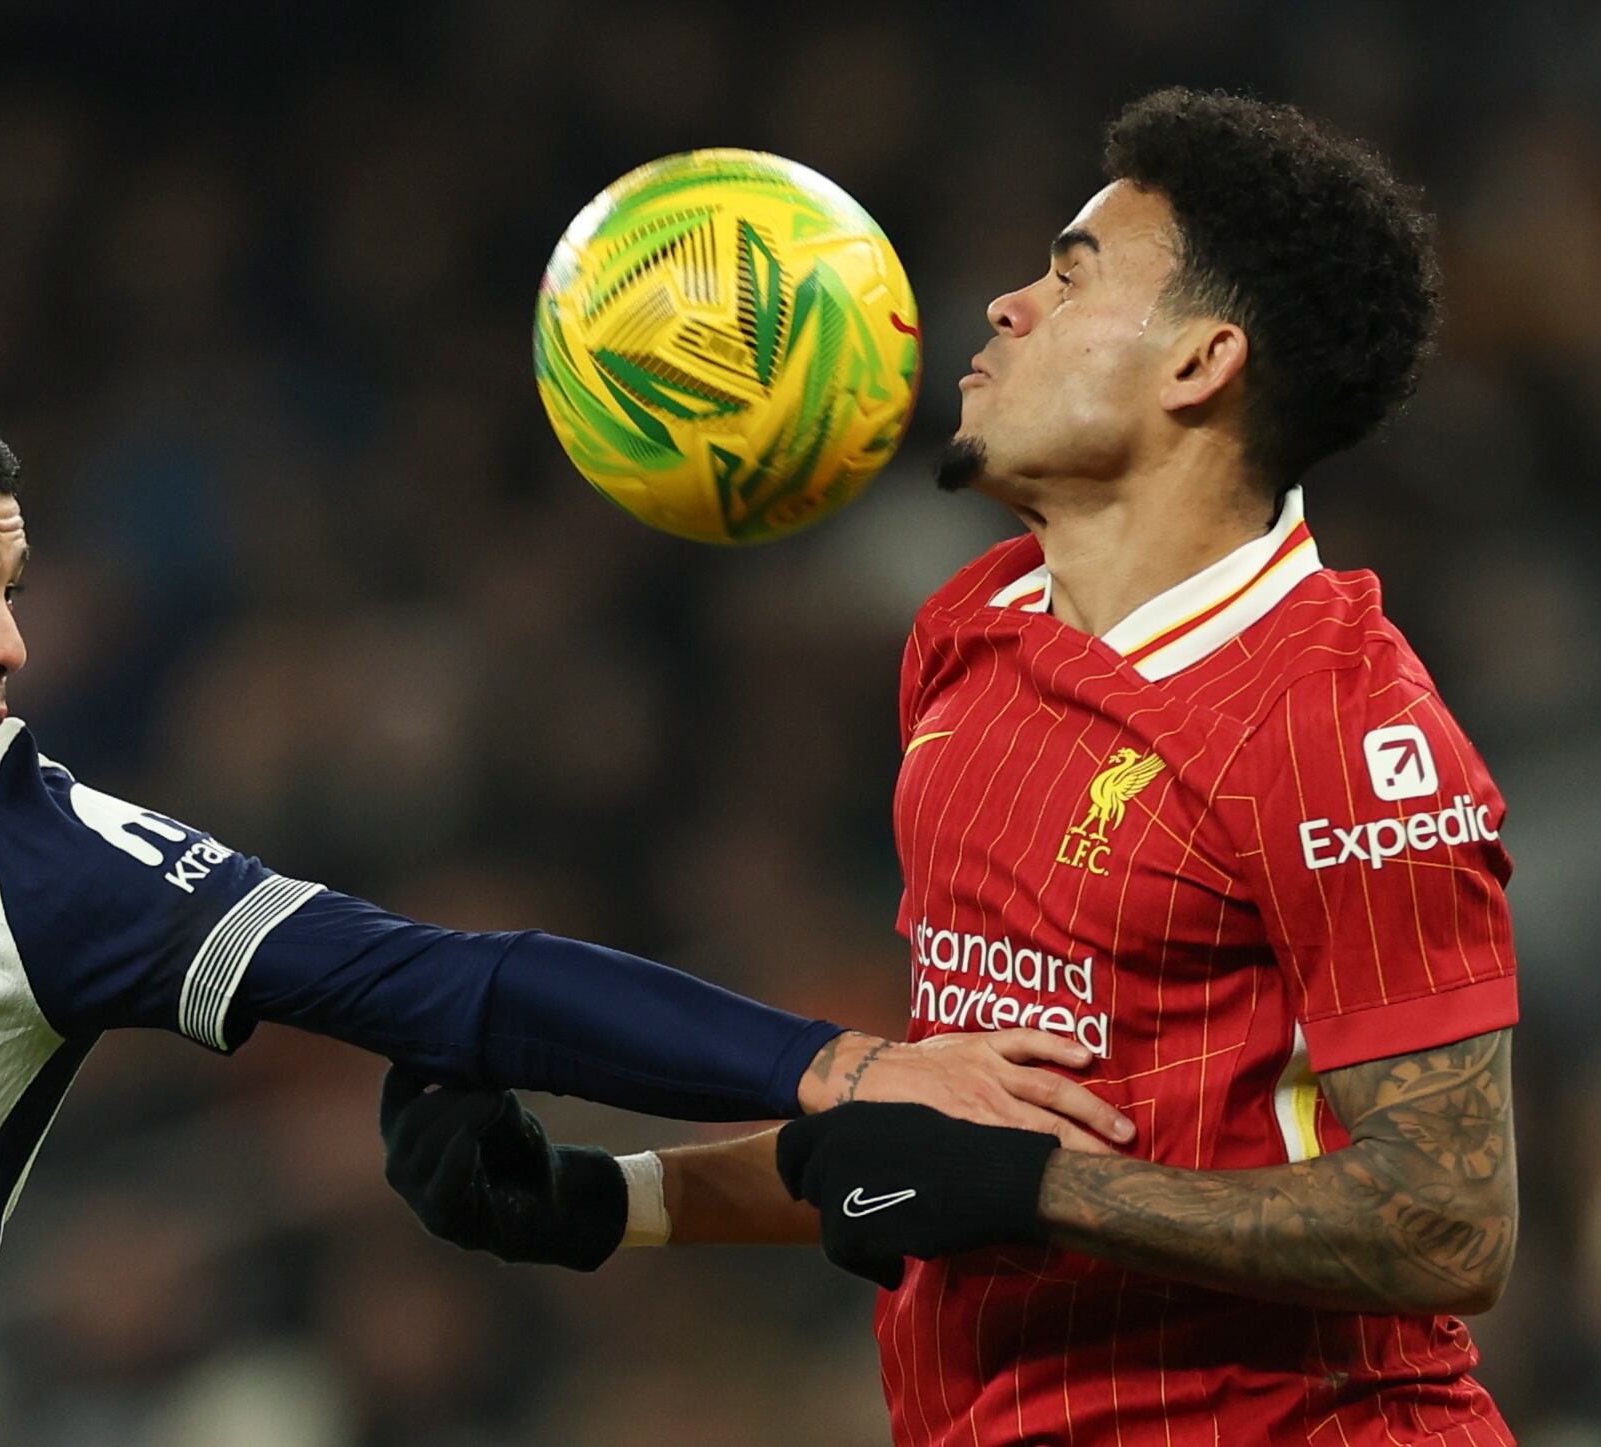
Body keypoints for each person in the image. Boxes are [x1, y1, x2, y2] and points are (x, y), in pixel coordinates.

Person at [0, 368, 1134, 1447]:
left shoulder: (42, 866)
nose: (7, 643)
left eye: (10, 593)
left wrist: (831, 1069)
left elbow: (443, 989)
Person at [379, 87, 1518, 1446]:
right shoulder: (970, 633)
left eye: (1069, 272)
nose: (1001, 304)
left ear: (1198, 365)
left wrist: (1031, 1191)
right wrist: (598, 1199)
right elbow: (926, 1147)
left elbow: (1449, 1224)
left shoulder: (1341, 726)